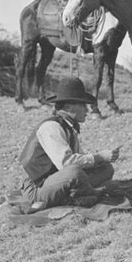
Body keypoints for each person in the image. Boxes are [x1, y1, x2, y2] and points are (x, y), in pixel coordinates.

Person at [18, 76, 120, 213]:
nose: (87, 110)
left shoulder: (69, 127)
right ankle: (87, 194)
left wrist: (101, 160)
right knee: (74, 171)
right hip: (38, 188)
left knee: (106, 168)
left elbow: (80, 159)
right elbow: (66, 164)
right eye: (83, 105)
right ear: (68, 107)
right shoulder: (51, 127)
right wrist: (98, 157)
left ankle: (76, 195)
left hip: (58, 180)